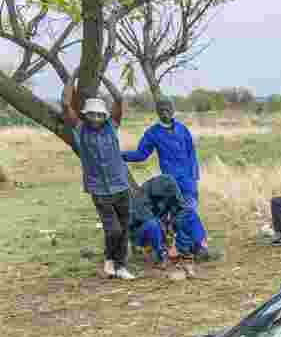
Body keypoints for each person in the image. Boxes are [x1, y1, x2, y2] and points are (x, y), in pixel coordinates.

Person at [62, 81, 135, 280]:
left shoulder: (112, 126)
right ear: (85, 115)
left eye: (99, 114)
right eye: (91, 114)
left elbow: (119, 99)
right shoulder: (80, 130)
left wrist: (103, 78)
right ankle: (109, 259)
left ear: (105, 116)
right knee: (113, 230)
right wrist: (73, 78)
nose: (95, 118)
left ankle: (121, 266)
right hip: (100, 191)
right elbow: (65, 105)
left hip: (120, 187)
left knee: (124, 229)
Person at [121, 97, 211, 258]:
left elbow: (192, 154)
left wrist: (195, 178)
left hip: (188, 182)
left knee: (189, 212)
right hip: (170, 185)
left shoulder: (182, 129)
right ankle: (183, 248)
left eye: (168, 108)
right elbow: (141, 154)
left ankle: (189, 247)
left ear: (173, 109)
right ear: (157, 112)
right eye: (161, 109)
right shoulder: (152, 133)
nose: (165, 112)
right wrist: (120, 156)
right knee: (179, 215)